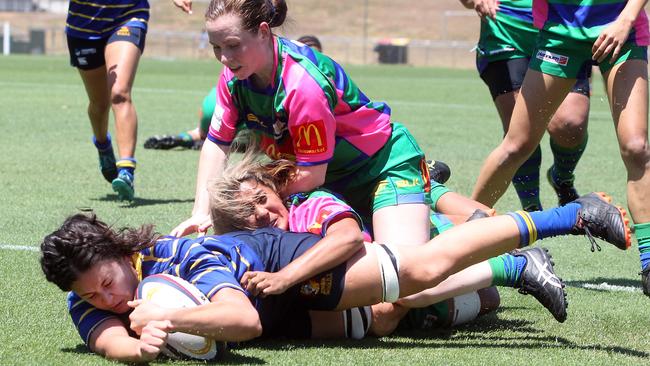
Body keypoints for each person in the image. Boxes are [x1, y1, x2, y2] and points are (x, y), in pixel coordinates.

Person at [41, 193, 628, 362]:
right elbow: (114, 341)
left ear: (118, 252)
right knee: (389, 319)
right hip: (294, 310)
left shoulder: (182, 259)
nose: (106, 300)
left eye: (107, 283)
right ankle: (509, 271)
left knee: (419, 269)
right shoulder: (91, 299)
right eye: (91, 295)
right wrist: (137, 348)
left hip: (296, 263)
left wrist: (165, 319)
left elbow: (241, 321)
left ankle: (571, 215)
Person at [170, 0, 482, 248]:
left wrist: (261, 193)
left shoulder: (301, 84)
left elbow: (311, 173)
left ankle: (499, 247)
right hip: (329, 177)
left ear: (263, 32)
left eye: (233, 45)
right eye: (216, 47)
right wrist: (202, 211)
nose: (224, 58)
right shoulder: (234, 76)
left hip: (379, 167)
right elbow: (215, 144)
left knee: (402, 272)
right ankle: (432, 217)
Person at [206, 156, 570, 326]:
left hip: (412, 254)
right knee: (481, 303)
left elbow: (347, 239)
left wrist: (286, 278)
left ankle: (515, 263)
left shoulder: (308, 205)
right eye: (246, 215)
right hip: (399, 272)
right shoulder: (267, 243)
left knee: (410, 293)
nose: (260, 213)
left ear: (273, 187)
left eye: (260, 199)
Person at [469, 0, 650, 294]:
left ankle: (649, 263)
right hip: (561, 34)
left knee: (636, 146)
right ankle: (463, 231)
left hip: (622, 29)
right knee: (517, 145)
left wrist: (627, 18)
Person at [460, 0, 590, 211]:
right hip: (506, 31)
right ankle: (531, 208)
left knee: (570, 125)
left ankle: (562, 179)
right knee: (519, 133)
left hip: (563, 29)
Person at [65, 0, 190, 201]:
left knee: (119, 92)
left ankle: (126, 171)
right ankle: (103, 145)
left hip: (128, 14)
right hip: (84, 25)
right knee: (99, 104)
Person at [142, 35, 323, 151]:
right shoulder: (245, 82)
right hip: (255, 129)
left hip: (266, 136)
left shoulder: (308, 88)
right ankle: (184, 138)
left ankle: (189, 138)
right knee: (218, 123)